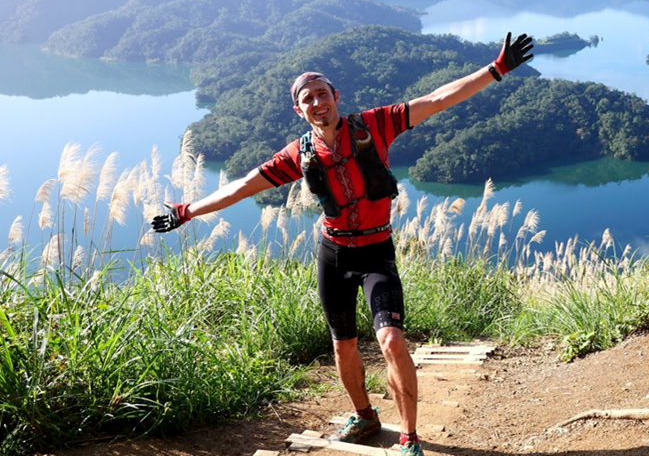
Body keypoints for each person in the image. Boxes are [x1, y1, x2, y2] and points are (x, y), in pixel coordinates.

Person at [151, 32, 534, 456]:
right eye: (308, 99)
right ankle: (365, 417)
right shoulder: (299, 154)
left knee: (391, 340)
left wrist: (495, 69)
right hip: (333, 254)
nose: (317, 102)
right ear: (299, 110)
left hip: (376, 252)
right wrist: (187, 211)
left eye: (322, 94)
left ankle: (409, 438)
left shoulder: (373, 125)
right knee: (343, 343)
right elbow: (243, 186)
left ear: (336, 97)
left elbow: (437, 99)